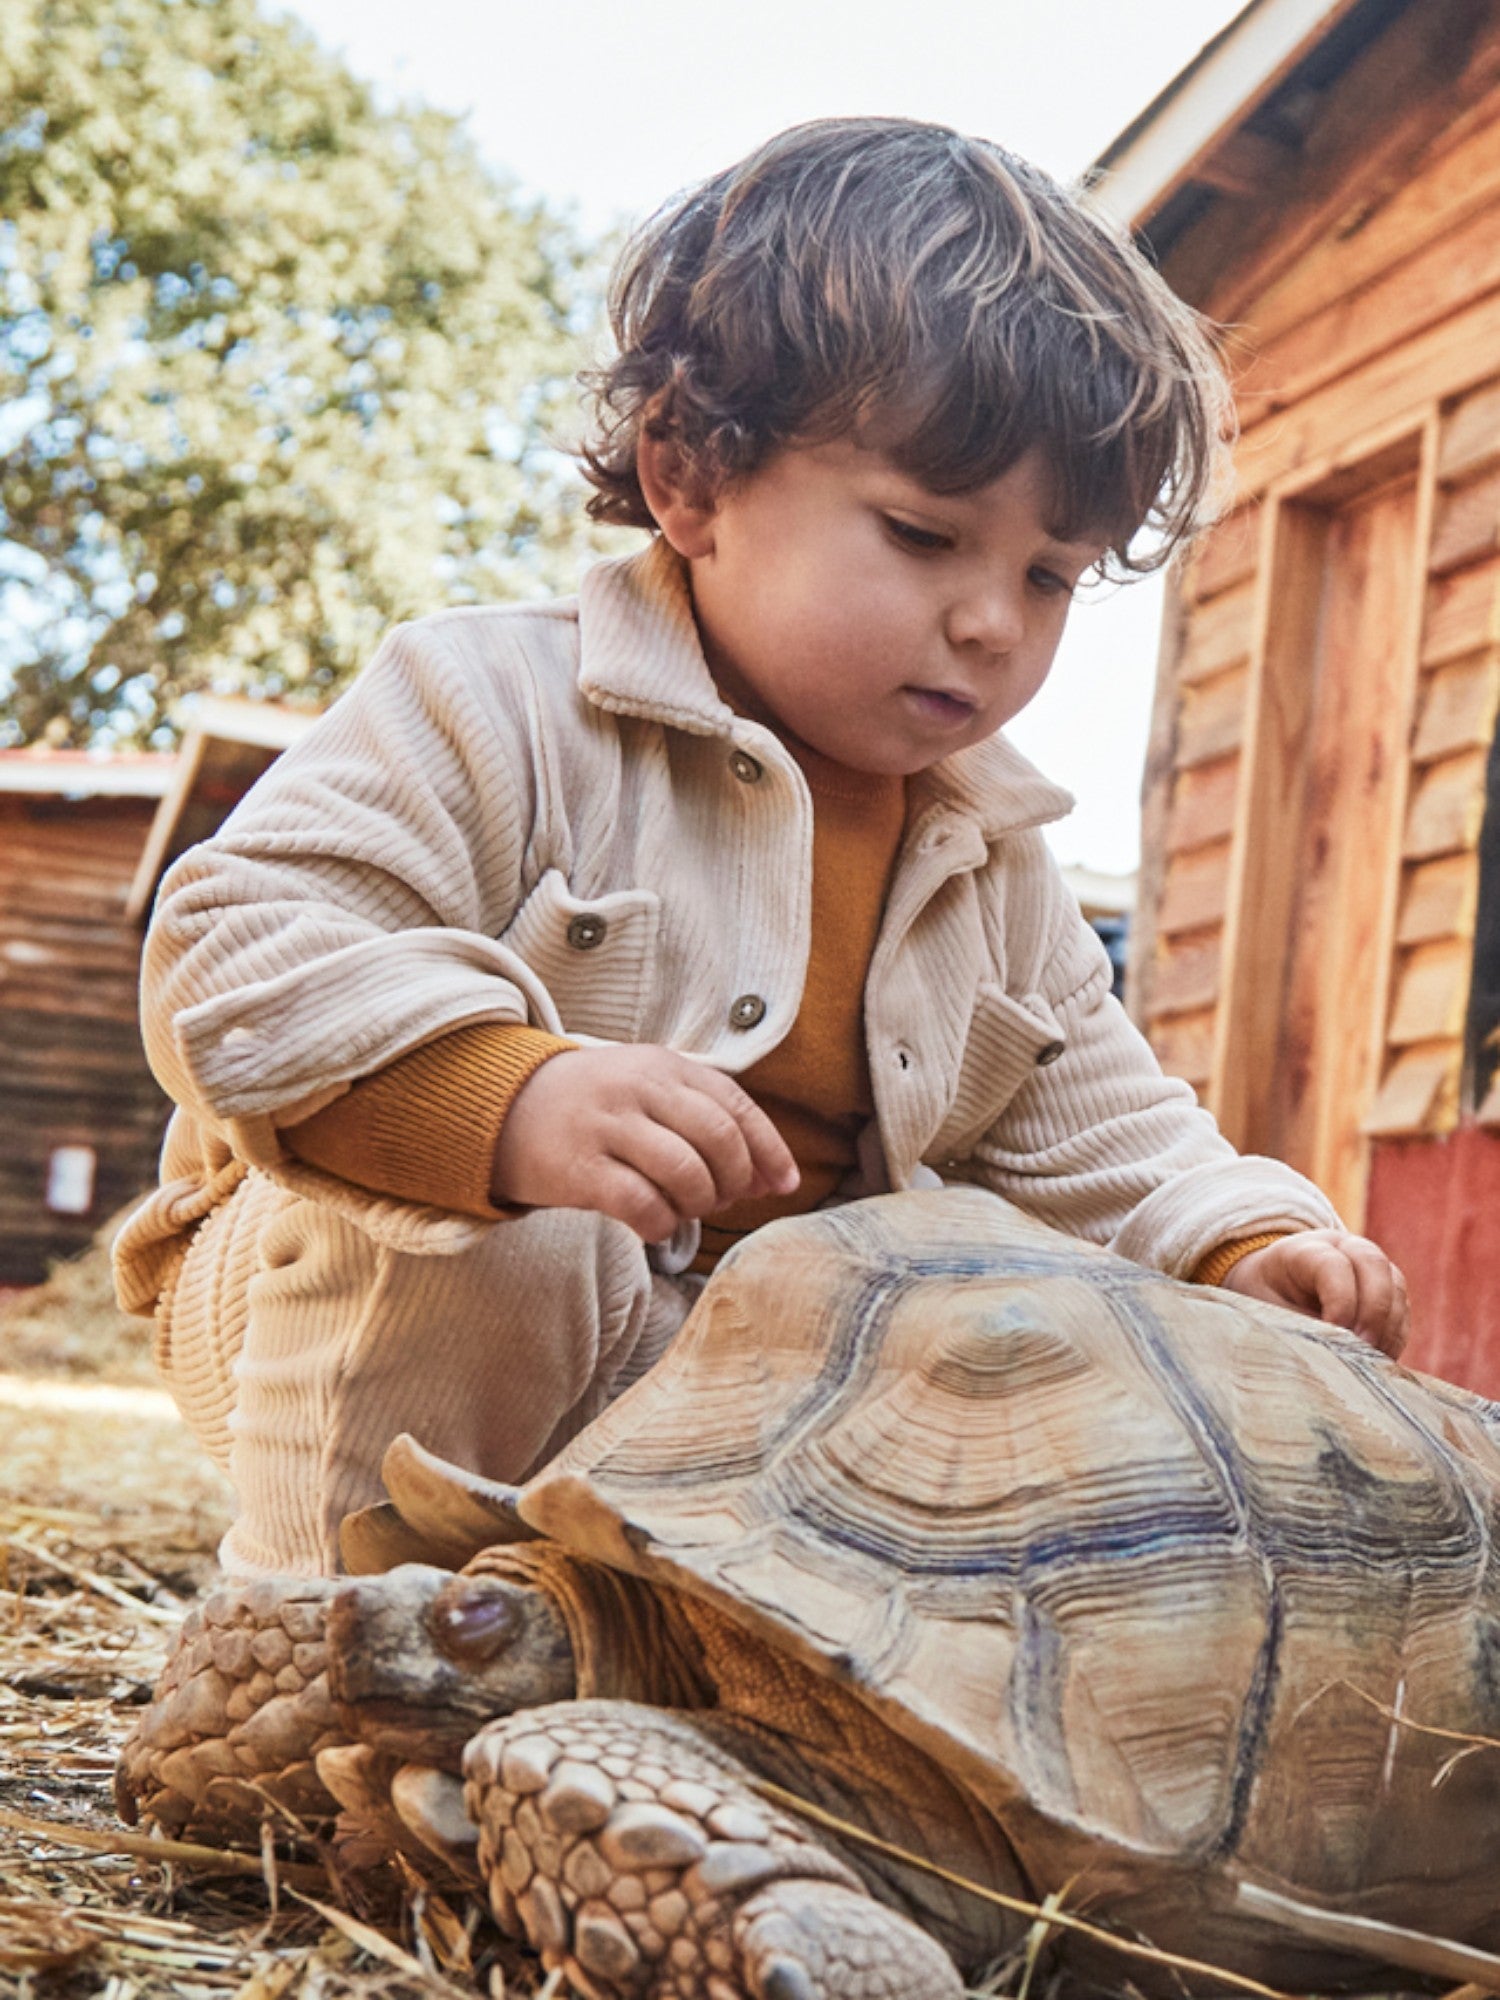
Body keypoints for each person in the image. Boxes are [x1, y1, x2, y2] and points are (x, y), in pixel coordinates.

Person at [114, 117, 1409, 1578]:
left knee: (996, 1323)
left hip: (734, 1400)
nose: (993, 621)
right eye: (925, 536)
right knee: (538, 1243)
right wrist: (503, 1100)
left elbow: (1107, 1131)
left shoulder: (989, 852)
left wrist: (1241, 1240)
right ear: (692, 479)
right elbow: (235, 951)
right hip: (351, 1316)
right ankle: (327, 1633)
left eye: (1049, 576)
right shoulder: (488, 701)